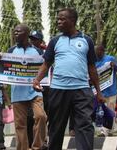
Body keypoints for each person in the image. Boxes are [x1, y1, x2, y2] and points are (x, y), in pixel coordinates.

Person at [33, 8, 104, 150]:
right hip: (59, 89)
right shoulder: (55, 41)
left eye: (62, 19)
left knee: (84, 125)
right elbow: (46, 63)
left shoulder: (87, 40)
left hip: (82, 90)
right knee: (56, 126)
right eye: (58, 19)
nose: (58, 22)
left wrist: (98, 91)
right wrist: (37, 80)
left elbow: (92, 68)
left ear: (72, 21)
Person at [0, 24, 47, 150]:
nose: (15, 34)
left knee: (41, 116)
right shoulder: (11, 50)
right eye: (14, 32)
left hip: (35, 91)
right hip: (18, 92)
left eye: (18, 32)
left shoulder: (38, 51)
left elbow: (44, 67)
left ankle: (37, 146)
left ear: (26, 34)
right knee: (20, 124)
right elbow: (4, 68)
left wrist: (43, 82)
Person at [95, 45, 117, 136]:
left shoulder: (110, 59)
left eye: (98, 51)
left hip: (111, 90)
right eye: (95, 52)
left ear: (102, 51)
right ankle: (103, 131)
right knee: (102, 111)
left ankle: (110, 130)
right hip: (100, 92)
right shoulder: (95, 62)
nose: (96, 53)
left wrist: (114, 66)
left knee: (111, 111)